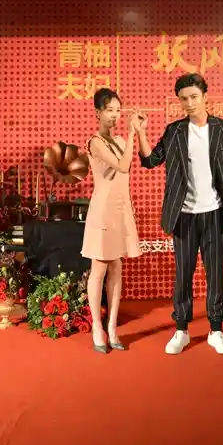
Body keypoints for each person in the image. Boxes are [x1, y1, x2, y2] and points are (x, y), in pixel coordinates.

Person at [133, 73, 223, 355]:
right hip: (183, 215)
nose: (189, 103)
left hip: (215, 212)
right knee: (184, 273)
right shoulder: (175, 131)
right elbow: (150, 160)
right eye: (184, 99)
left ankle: (216, 330)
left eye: (194, 97)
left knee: (215, 274)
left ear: (205, 96)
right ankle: (181, 330)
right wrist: (141, 132)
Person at [81, 88, 141, 353]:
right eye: (109, 110)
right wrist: (132, 134)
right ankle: (97, 326)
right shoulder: (95, 142)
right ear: (98, 113)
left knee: (117, 266)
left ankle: (113, 327)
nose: (115, 115)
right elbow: (123, 166)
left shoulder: (119, 140)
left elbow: (128, 169)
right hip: (103, 209)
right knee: (99, 267)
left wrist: (135, 134)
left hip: (121, 207)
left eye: (118, 110)